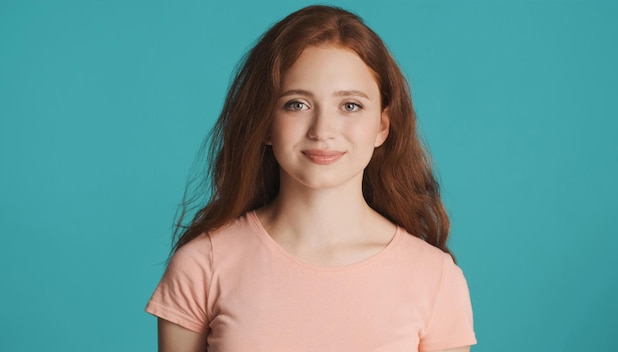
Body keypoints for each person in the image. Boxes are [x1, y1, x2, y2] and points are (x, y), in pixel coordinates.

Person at [146, 5, 476, 352]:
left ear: (382, 125)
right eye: (297, 104)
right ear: (265, 122)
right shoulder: (203, 265)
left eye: (350, 105)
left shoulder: (434, 278)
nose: (322, 131)